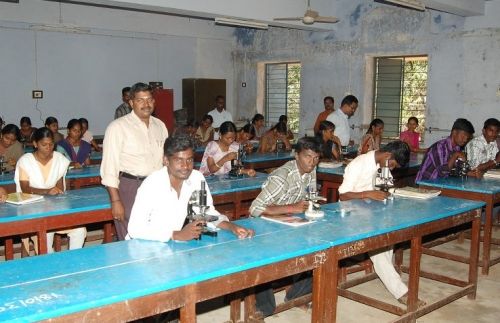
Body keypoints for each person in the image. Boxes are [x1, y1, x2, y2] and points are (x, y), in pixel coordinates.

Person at [338, 140, 424, 306]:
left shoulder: (383, 166)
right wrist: (367, 194)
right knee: (380, 249)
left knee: (390, 235)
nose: (391, 169)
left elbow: (388, 189)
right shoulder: (359, 164)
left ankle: (387, 272)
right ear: (387, 155)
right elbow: (342, 196)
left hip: (373, 214)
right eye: (392, 165)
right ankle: (401, 291)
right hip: (351, 215)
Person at [127, 134, 254, 242]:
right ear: (166, 160)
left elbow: (206, 213)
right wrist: (176, 234)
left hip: (171, 245)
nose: (185, 166)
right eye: (179, 160)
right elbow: (134, 229)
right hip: (143, 246)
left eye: (189, 160)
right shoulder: (152, 184)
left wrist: (232, 227)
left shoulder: (196, 178)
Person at [249, 136, 321, 317]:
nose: (312, 163)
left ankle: (295, 295)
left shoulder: (311, 171)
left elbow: (309, 198)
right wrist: (292, 208)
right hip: (263, 225)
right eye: (307, 157)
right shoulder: (282, 176)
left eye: (316, 158)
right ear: (296, 155)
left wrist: (308, 207)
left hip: (288, 223)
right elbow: (255, 209)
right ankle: (261, 308)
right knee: (265, 259)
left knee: (319, 252)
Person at [101, 82, 169, 241]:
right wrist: (116, 200)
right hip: (131, 186)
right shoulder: (117, 127)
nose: (146, 104)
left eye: (150, 99)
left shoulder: (160, 126)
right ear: (131, 103)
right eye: (140, 100)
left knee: (157, 232)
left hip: (156, 185)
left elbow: (166, 160)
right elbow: (109, 167)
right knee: (131, 236)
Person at [15, 127, 86, 254]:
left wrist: (55, 193)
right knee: (45, 233)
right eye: (44, 144)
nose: (48, 147)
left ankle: (73, 262)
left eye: (51, 144)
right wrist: (47, 191)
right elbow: (25, 189)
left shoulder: (59, 159)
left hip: (55, 208)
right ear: (36, 144)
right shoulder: (26, 161)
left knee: (80, 229)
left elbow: (60, 188)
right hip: (33, 209)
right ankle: (52, 265)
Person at [416, 118, 481, 182]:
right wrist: (455, 155)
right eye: (463, 136)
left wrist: (470, 173)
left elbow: (455, 170)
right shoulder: (439, 147)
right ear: (454, 132)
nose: (465, 140)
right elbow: (443, 173)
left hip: (440, 184)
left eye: (467, 138)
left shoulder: (457, 148)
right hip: (425, 185)